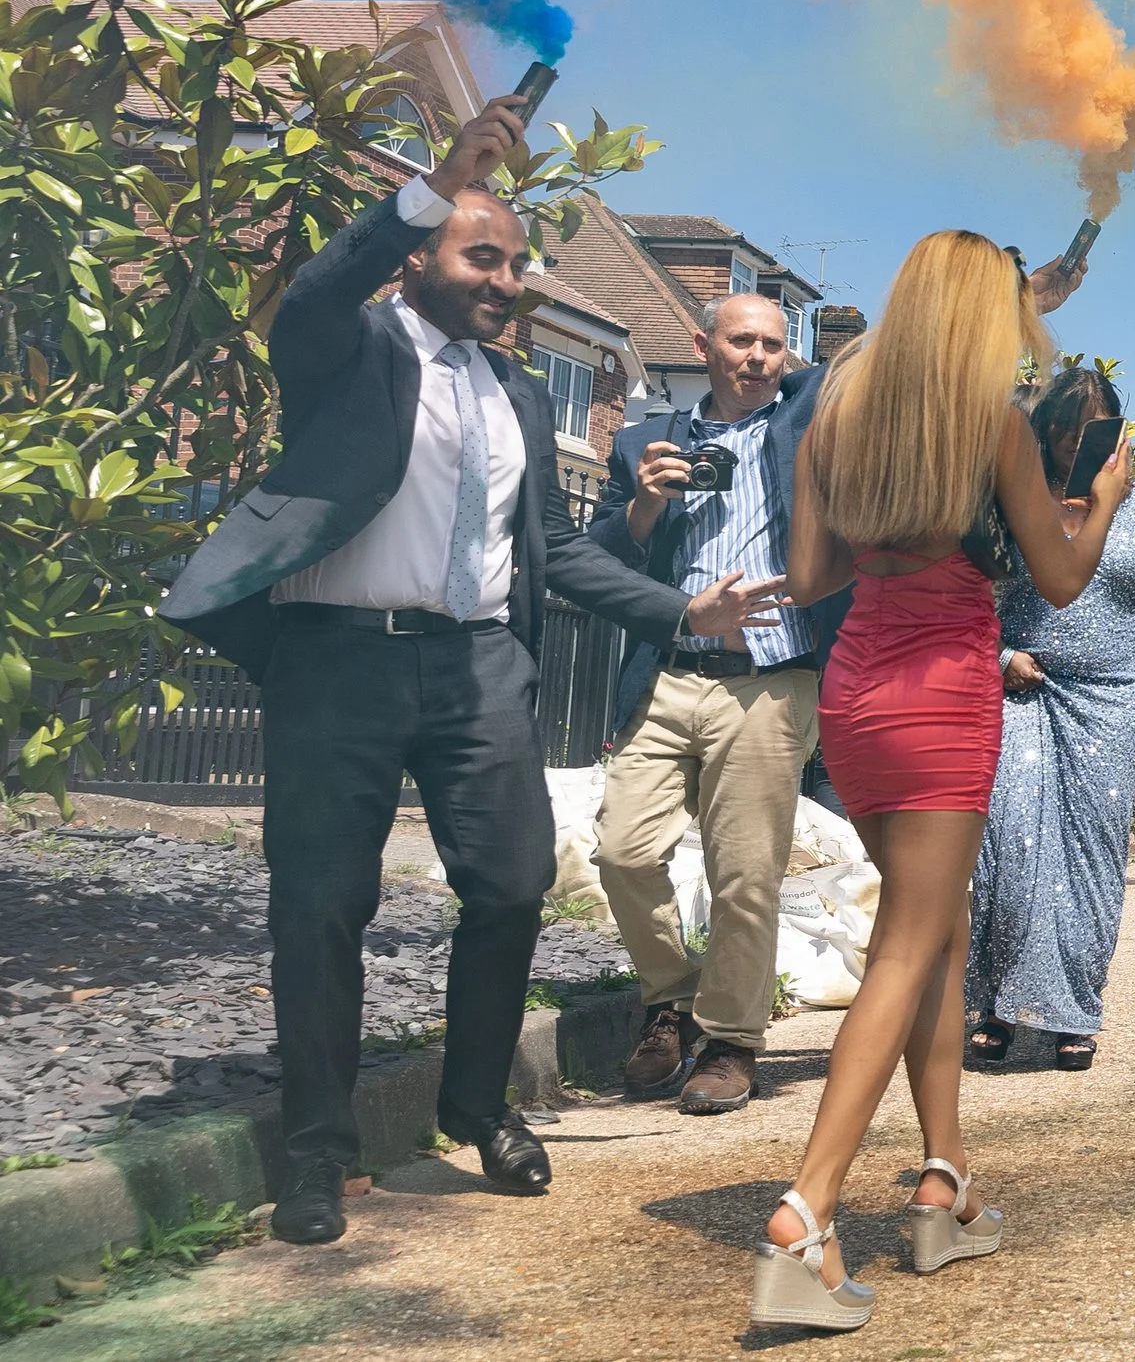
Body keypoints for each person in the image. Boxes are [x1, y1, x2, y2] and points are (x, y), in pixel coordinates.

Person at [160, 101, 782, 1247]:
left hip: (478, 667)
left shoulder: (517, 392)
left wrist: (682, 605)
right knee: (320, 905)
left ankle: (478, 1106)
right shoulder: (349, 350)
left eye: (513, 264)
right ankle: (316, 1151)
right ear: (422, 254)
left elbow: (547, 548)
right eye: (480, 255)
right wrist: (437, 177)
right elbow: (303, 298)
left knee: (507, 885)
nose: (504, 279)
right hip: (338, 662)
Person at [755, 230, 1130, 1333]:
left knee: (942, 935)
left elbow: (814, 576)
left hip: (857, 686)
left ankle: (943, 1181)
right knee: (909, 947)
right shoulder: (994, 426)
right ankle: (807, 1210)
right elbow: (1058, 580)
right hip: (943, 689)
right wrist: (1098, 494)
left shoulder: (839, 419)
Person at [587, 293, 854, 1114]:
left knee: (747, 871)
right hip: (670, 672)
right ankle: (671, 996)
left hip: (772, 679)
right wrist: (645, 499)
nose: (758, 358)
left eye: (773, 345)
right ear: (702, 345)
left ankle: (732, 1041)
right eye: (741, 341)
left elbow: (883, 355)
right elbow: (596, 556)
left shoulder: (810, 420)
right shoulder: (644, 440)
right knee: (623, 851)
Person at [964, 367, 1135, 1072]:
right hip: (1026, 683)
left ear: (1114, 432)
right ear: (1042, 431)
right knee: (1009, 838)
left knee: (1090, 853)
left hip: (1116, 693)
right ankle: (993, 1003)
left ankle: (1073, 1009)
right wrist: (1002, 652)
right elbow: (965, 593)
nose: (1078, 443)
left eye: (1095, 431)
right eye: (1064, 430)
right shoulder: (1012, 493)